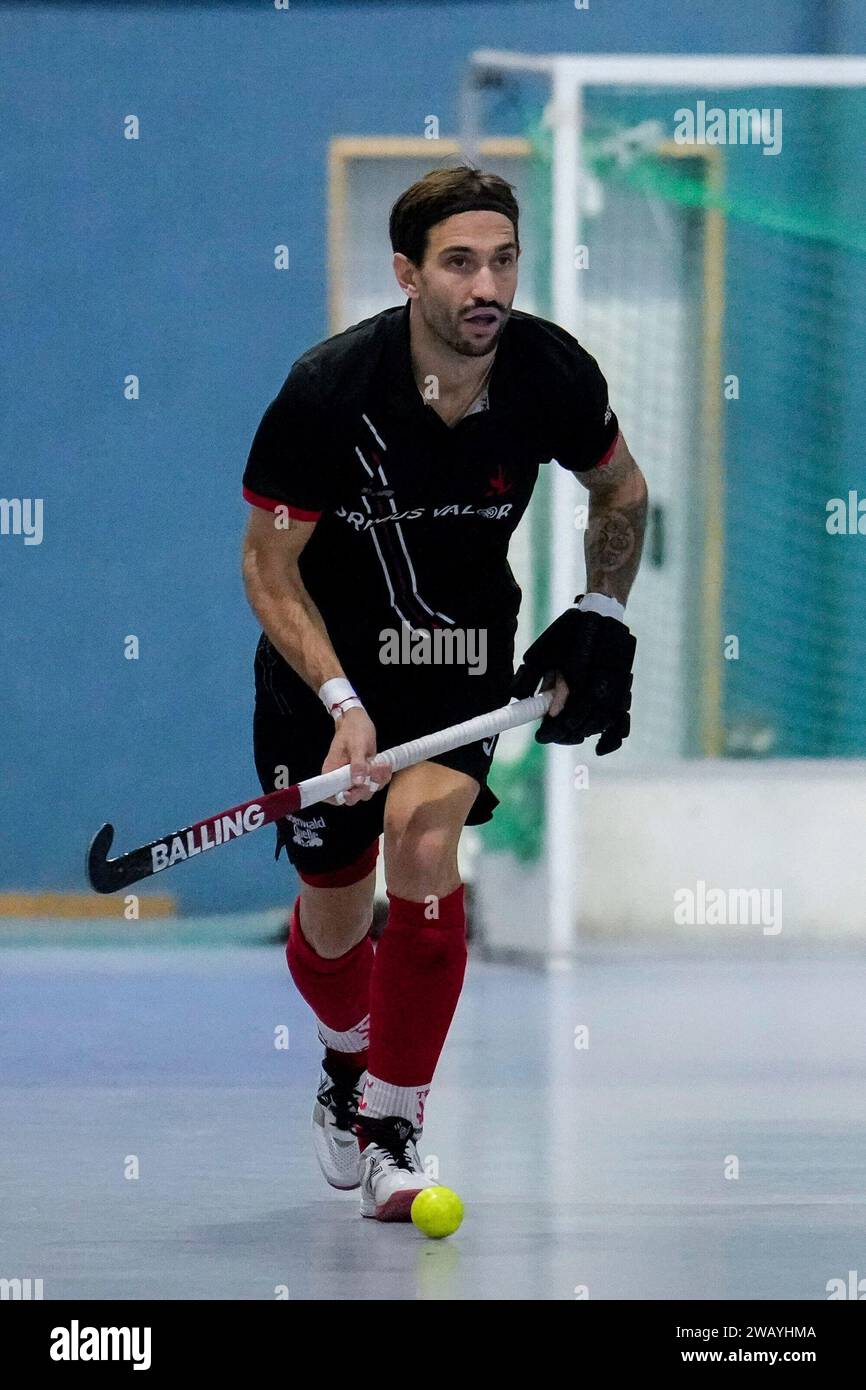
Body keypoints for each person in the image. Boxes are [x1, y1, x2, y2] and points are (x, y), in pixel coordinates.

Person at [241, 165, 647, 1222]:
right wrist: (338, 702)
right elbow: (267, 568)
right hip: (319, 669)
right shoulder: (327, 390)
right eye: (460, 262)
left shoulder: (547, 371)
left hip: (462, 665)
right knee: (336, 918)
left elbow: (619, 487)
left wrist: (601, 613)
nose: (486, 285)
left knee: (423, 848)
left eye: (502, 260)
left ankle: (392, 1121)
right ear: (405, 272)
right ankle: (344, 1060)